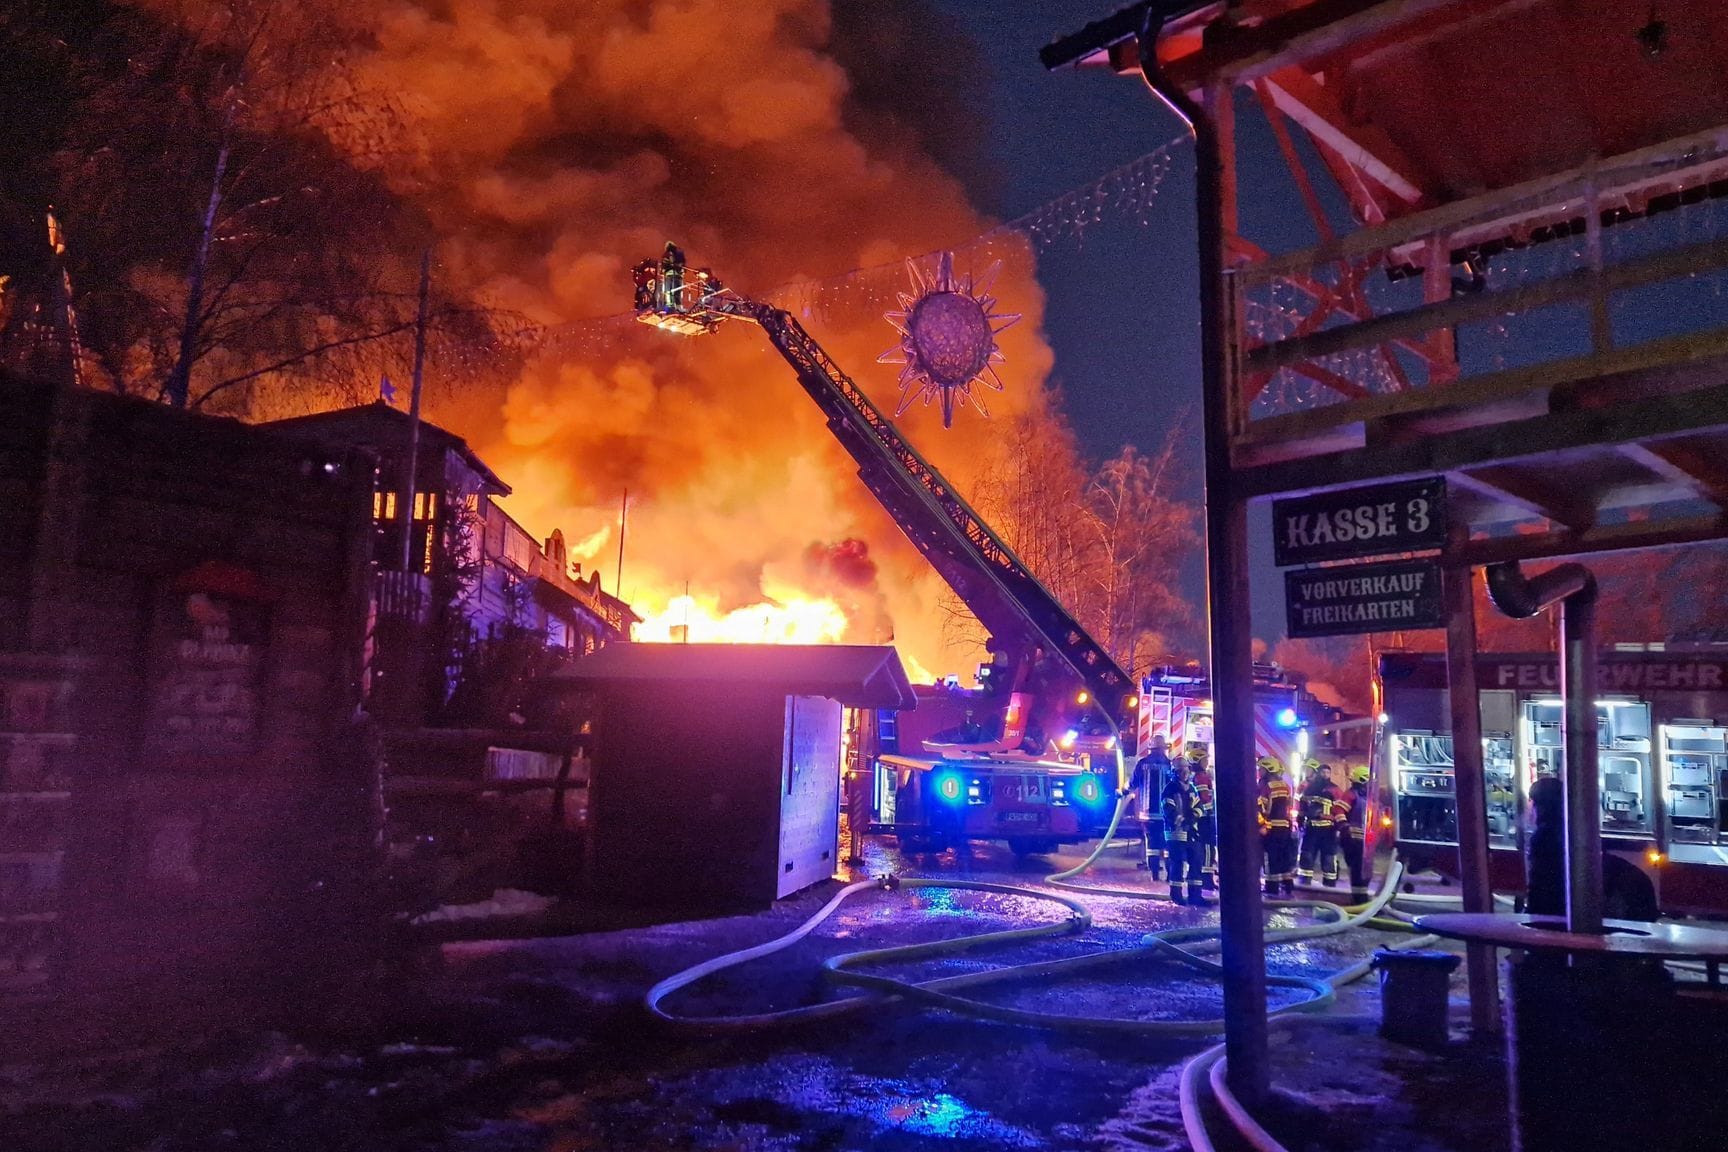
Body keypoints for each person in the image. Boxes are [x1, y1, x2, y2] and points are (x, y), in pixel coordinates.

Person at [1161, 751, 1213, 906]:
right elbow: (1169, 810)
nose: (1184, 773)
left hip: (1191, 832)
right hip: (1176, 834)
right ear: (1174, 773)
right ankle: (1176, 896)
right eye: (1180, 771)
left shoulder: (1191, 789)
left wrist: (1193, 817)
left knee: (1196, 863)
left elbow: (1199, 806)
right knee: (1177, 864)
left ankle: (1195, 896)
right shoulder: (1170, 789)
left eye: (1186, 770)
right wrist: (1182, 820)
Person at [1122, 735, 1171, 877]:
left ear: (1151, 748)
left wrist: (1122, 791)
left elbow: (1132, 784)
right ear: (1163, 749)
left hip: (1147, 813)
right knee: (1167, 844)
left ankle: (1155, 874)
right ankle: (1169, 875)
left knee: (1152, 844)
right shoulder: (1170, 764)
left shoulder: (1142, 764)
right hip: (1167, 813)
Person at [1296, 761, 1342, 888]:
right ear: (1318, 773)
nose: (1325, 775)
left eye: (1328, 772)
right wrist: (1300, 819)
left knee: (1328, 858)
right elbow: (1303, 805)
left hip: (1328, 830)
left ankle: (1330, 884)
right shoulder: (1309, 789)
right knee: (1307, 855)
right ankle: (1304, 883)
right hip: (1311, 828)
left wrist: (1339, 827)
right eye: (1323, 772)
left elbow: (1340, 809)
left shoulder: (1335, 789)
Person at [1525, 769, 1564, 916]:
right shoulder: (1568, 830)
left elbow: (1539, 880)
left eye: (1533, 803)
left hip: (1548, 909)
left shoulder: (1543, 836)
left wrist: (1531, 910)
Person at [1257, 756, 1295, 897]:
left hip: (1270, 827)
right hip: (1284, 826)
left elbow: (1261, 807)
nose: (1259, 771)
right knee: (1284, 857)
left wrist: (1261, 825)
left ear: (1267, 769)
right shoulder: (1284, 785)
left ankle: (1272, 887)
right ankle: (1288, 885)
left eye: (1261, 769)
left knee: (1270, 858)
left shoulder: (1264, 785)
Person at [1335, 765, 1373, 903]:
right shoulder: (1351, 794)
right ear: (1362, 780)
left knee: (1365, 869)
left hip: (1365, 841)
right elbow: (1339, 810)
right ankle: (1358, 898)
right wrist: (1344, 827)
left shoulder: (1367, 796)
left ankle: (1362, 895)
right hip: (1353, 839)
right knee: (1357, 869)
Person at [1189, 745, 1217, 892]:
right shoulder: (1202, 777)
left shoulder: (1194, 776)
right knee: (1207, 848)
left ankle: (1204, 877)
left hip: (1199, 817)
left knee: (1203, 847)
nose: (1207, 762)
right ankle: (1207, 879)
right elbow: (1205, 799)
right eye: (1205, 760)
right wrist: (1211, 812)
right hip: (1205, 818)